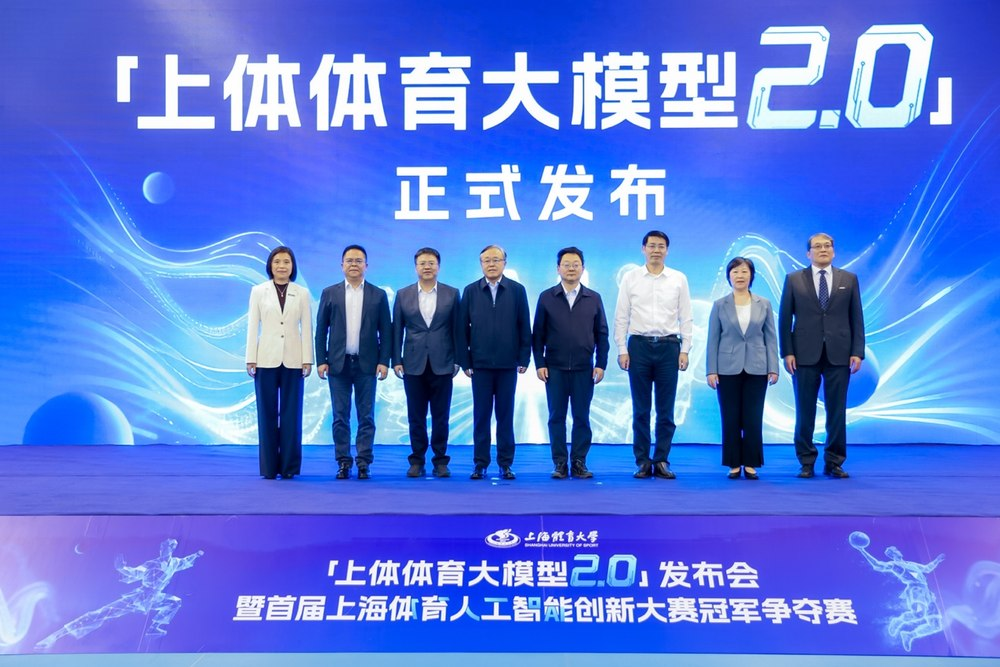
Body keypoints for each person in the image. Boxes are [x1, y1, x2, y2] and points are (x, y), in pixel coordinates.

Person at [779, 233, 865, 479]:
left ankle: (834, 461)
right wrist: (787, 352)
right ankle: (806, 461)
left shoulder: (849, 279)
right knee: (804, 411)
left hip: (840, 353)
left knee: (837, 411)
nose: (823, 249)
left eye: (827, 246)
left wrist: (857, 351)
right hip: (804, 354)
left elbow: (856, 317)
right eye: (817, 246)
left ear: (834, 252)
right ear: (808, 253)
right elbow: (784, 318)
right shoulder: (794, 279)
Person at [614, 230, 693, 479]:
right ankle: (642, 461)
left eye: (661, 246)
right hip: (639, 346)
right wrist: (622, 349)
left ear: (667, 250)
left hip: (669, 346)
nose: (656, 250)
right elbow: (621, 316)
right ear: (643, 249)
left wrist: (685, 349)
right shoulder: (631, 278)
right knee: (640, 409)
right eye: (651, 246)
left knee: (666, 410)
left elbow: (686, 316)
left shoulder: (678, 278)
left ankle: (661, 460)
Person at [315, 245, 392, 480]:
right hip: (337, 364)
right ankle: (343, 462)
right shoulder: (330, 293)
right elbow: (321, 330)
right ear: (342, 266)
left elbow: (385, 331)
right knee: (340, 416)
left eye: (359, 260)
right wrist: (321, 360)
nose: (354, 264)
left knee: (366, 416)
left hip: (367, 364)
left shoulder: (378, 295)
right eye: (349, 260)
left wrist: (384, 361)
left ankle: (364, 462)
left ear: (366, 266)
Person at [532, 247, 609, 479]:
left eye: (576, 264)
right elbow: (538, 334)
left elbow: (601, 334)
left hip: (584, 369)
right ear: (558, 269)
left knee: (582, 417)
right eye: (566, 264)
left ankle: (578, 462)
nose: (571, 268)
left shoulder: (593, 298)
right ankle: (559, 463)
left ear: (583, 268)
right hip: (554, 369)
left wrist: (601, 364)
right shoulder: (547, 297)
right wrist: (539, 363)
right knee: (556, 417)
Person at [458, 244, 531, 480]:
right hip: (479, 366)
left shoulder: (517, 290)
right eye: (487, 260)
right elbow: (461, 329)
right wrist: (465, 361)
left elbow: (524, 326)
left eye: (496, 260)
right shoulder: (470, 291)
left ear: (504, 263)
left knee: (505, 416)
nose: (491, 264)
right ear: (481, 264)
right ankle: (480, 463)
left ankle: (505, 463)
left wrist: (524, 357)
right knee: (481, 417)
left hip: (508, 364)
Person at [705, 257, 779, 480]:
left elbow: (771, 338)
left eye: (744, 271)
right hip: (727, 368)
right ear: (729, 276)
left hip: (757, 367)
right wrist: (711, 370)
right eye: (735, 271)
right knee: (730, 417)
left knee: (753, 418)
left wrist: (773, 367)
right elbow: (713, 339)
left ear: (751, 276)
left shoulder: (764, 303)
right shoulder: (720, 305)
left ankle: (751, 463)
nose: (740, 275)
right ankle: (734, 463)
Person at [392, 247, 461, 479]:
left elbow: (457, 329)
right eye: (422, 263)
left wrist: (458, 359)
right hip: (413, 363)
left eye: (431, 263)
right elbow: (397, 329)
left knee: (441, 416)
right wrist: (396, 359)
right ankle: (417, 460)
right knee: (416, 416)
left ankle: (440, 461)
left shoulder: (452, 294)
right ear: (416, 267)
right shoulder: (403, 294)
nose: (427, 267)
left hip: (443, 363)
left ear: (438, 266)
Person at [245, 246, 313, 480]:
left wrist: (307, 359)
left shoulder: (302, 293)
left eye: (286, 262)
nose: (282, 266)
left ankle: (289, 467)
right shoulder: (258, 291)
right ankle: (268, 468)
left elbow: (307, 327)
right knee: (267, 414)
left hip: (294, 359)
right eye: (277, 262)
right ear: (270, 265)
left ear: (293, 266)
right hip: (265, 359)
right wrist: (250, 358)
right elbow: (253, 326)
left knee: (291, 414)